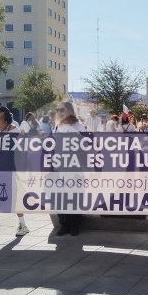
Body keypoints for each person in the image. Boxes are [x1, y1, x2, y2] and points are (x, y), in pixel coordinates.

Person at [0, 105, 30, 237]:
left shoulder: (15, 131)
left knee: (15, 197)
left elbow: (23, 151)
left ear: (2, 114)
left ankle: (22, 224)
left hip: (11, 169)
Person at [54, 101, 86, 236]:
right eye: (58, 110)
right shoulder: (56, 127)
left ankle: (75, 224)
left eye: (62, 109)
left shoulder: (79, 127)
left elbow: (86, 145)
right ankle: (64, 224)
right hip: (60, 167)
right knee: (61, 197)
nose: (59, 112)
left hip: (75, 167)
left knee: (75, 196)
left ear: (69, 111)